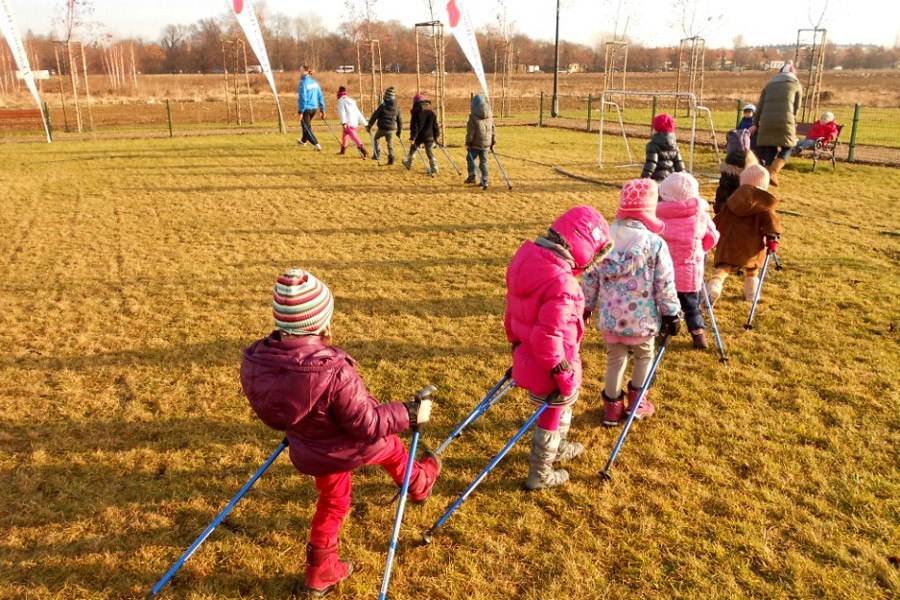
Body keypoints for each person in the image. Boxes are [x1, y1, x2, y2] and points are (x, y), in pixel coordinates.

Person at [240, 269, 442, 596]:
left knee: (333, 500)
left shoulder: (259, 361)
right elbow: (366, 425)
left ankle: (320, 570)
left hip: (311, 448)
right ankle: (419, 482)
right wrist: (408, 413)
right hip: (348, 444)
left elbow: (275, 416)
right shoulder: (333, 369)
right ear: (321, 323)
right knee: (389, 445)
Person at [505, 206, 612, 490]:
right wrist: (561, 371)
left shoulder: (527, 259)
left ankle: (558, 447)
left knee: (559, 410)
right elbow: (549, 334)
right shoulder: (563, 284)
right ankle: (540, 472)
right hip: (550, 367)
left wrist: (515, 344)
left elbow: (512, 312)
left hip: (527, 356)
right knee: (553, 413)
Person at [582, 179, 682, 427]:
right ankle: (638, 403)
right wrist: (672, 313)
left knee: (614, 360)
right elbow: (664, 282)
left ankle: (612, 409)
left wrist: (585, 307)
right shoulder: (655, 243)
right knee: (643, 356)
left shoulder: (604, 239)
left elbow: (590, 277)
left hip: (611, 318)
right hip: (642, 319)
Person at [656, 172, 720, 350]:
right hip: (691, 275)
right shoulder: (701, 216)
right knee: (692, 307)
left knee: (664, 307)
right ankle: (699, 334)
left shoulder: (658, 216)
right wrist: (702, 249)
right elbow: (713, 236)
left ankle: (663, 333)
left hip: (664, 275)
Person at [707, 165, 781, 304]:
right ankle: (752, 294)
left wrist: (709, 231)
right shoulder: (764, 204)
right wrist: (772, 238)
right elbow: (771, 223)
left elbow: (719, 219)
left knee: (723, 267)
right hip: (752, 244)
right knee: (752, 269)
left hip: (728, 241)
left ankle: (714, 287)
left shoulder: (733, 200)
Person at [750, 61, 802, 186]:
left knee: (770, 146)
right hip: (786, 120)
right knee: (788, 146)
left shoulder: (769, 86)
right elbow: (796, 107)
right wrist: (793, 120)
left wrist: (755, 124)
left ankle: (765, 176)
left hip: (766, 121)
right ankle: (773, 172)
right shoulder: (796, 85)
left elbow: (760, 106)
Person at [714, 128, 760, 215]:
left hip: (729, 212)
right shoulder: (755, 167)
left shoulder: (729, 166)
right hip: (749, 213)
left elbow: (723, 191)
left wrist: (719, 208)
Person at [402, 93, 440, 174]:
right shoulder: (431, 113)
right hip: (430, 136)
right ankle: (434, 167)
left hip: (419, 137)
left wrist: (413, 138)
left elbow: (414, 127)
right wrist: (436, 137)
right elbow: (435, 126)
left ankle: (408, 163)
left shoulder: (415, 114)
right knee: (429, 150)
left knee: (412, 149)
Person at [640, 113, 685, 183]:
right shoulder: (674, 145)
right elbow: (679, 164)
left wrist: (643, 179)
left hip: (656, 181)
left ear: (656, 128)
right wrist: (683, 178)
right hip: (670, 181)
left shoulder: (652, 145)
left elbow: (651, 164)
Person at [464, 93, 495, 190]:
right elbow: (493, 129)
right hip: (486, 144)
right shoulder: (489, 115)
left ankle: (472, 176)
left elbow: (470, 133)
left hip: (475, 144)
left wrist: (468, 143)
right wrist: (493, 142)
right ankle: (484, 179)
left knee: (470, 158)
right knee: (484, 161)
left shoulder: (472, 117)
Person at [367, 86, 402, 165]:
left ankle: (377, 155)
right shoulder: (396, 107)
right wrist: (399, 131)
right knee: (390, 144)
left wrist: (369, 125)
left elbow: (375, 115)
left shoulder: (383, 106)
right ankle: (391, 158)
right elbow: (399, 120)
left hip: (382, 128)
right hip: (391, 129)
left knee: (376, 139)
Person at [297, 65, 325, 151]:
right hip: (314, 109)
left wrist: (300, 111)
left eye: (300, 71)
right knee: (306, 126)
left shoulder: (302, 83)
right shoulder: (314, 82)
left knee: (306, 128)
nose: (299, 72)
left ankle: (316, 144)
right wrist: (322, 109)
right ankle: (303, 141)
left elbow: (303, 98)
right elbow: (320, 96)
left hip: (306, 109)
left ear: (305, 72)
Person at [335, 86, 368, 157]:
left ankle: (362, 149)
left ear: (339, 92)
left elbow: (342, 112)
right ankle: (342, 150)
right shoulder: (351, 101)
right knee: (344, 135)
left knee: (353, 136)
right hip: (354, 121)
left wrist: (344, 122)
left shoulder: (340, 101)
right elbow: (358, 112)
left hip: (348, 122)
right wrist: (365, 123)